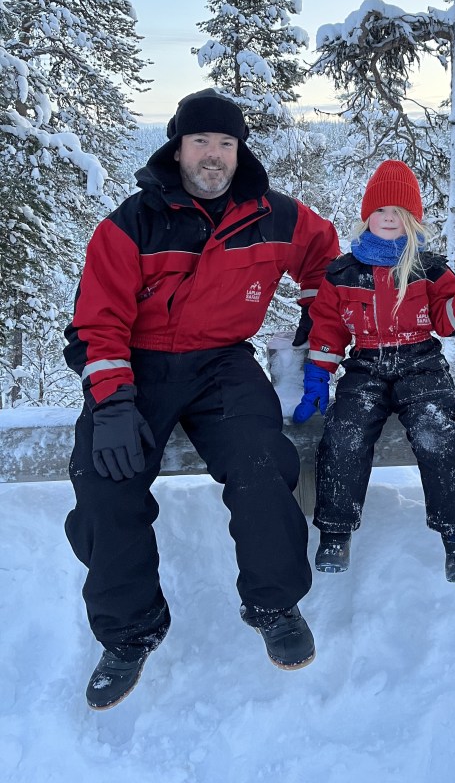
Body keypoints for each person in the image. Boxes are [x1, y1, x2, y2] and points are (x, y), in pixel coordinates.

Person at [63, 88, 340, 710]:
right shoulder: (131, 222)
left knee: (264, 461)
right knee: (106, 480)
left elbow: (335, 272)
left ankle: (275, 603)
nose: (213, 155)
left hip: (222, 363)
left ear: (239, 152)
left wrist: (314, 327)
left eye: (225, 143)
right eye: (200, 142)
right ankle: (129, 633)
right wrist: (110, 402)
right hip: (140, 364)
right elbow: (98, 318)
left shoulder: (277, 216)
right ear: (178, 146)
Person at [292, 159, 455, 582]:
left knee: (436, 434)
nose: (389, 218)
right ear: (367, 216)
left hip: (420, 363)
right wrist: (318, 375)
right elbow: (329, 329)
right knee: (345, 432)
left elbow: (450, 322)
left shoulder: (428, 268)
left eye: (398, 213)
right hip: (366, 364)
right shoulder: (343, 272)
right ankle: (335, 532)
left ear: (412, 220)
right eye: (381, 211)